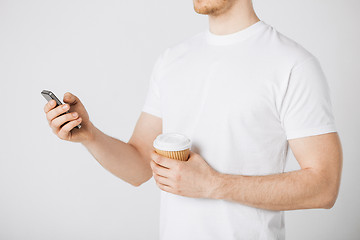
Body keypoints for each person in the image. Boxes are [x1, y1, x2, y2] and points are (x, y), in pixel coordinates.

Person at [43, 0, 343, 239]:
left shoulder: (293, 64)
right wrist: (90, 136)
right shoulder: (172, 61)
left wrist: (215, 185)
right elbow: (138, 168)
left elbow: (324, 186)